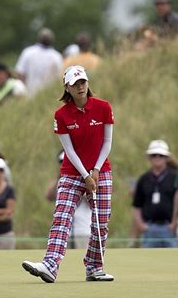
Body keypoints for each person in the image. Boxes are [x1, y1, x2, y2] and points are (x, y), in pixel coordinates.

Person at [22, 65, 115, 283]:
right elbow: (69, 151)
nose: (80, 87)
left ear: (87, 83)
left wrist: (96, 170)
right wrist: (85, 175)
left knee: (101, 222)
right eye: (75, 84)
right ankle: (50, 265)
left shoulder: (103, 107)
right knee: (62, 217)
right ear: (67, 87)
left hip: (101, 170)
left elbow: (108, 142)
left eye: (83, 82)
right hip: (72, 173)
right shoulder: (61, 114)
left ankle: (94, 267)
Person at [133, 140, 178, 248]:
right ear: (149, 157)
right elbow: (136, 205)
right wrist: (141, 225)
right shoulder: (144, 179)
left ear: (166, 158)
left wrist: (175, 223)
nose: (157, 158)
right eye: (154, 155)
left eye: (161, 155)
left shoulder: (175, 177)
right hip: (149, 227)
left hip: (169, 227)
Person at [45, 150, 91, 249]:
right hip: (64, 233)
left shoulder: (87, 180)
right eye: (62, 163)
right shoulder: (59, 182)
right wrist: (59, 177)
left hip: (83, 231)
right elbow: (49, 196)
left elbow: (93, 203)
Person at [15, 28, 63, 98]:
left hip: (30, 94)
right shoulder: (57, 56)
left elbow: (20, 74)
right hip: (50, 96)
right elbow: (60, 78)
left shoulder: (28, 52)